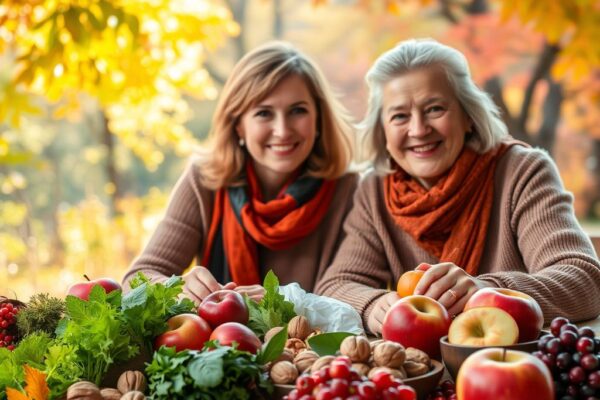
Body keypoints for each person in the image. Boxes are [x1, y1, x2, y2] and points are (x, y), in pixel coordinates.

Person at [315, 38, 600, 335]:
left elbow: (585, 281)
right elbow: (335, 286)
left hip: (514, 364)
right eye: (400, 116)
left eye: (435, 109)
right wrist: (373, 304)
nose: (418, 129)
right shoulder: (375, 190)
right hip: (423, 372)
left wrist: (486, 291)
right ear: (382, 129)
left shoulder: (522, 171)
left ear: (468, 116)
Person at [124, 41, 357, 304]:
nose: (282, 130)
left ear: (319, 119)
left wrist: (278, 300)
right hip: (217, 343)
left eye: (297, 111)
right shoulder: (205, 181)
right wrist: (179, 286)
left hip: (313, 345)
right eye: (264, 113)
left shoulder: (350, 191)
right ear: (238, 126)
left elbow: (351, 294)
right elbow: (136, 280)